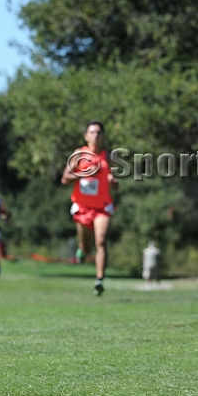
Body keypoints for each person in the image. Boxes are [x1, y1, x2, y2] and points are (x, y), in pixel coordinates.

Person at [61, 120, 118, 296]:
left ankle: (99, 279)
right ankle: (82, 249)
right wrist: (85, 173)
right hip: (82, 207)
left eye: (99, 133)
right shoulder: (79, 154)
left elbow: (113, 180)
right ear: (86, 136)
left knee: (100, 241)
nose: (95, 136)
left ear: (103, 136)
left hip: (102, 207)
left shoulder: (107, 157)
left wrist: (113, 181)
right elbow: (65, 179)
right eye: (92, 132)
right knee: (86, 248)